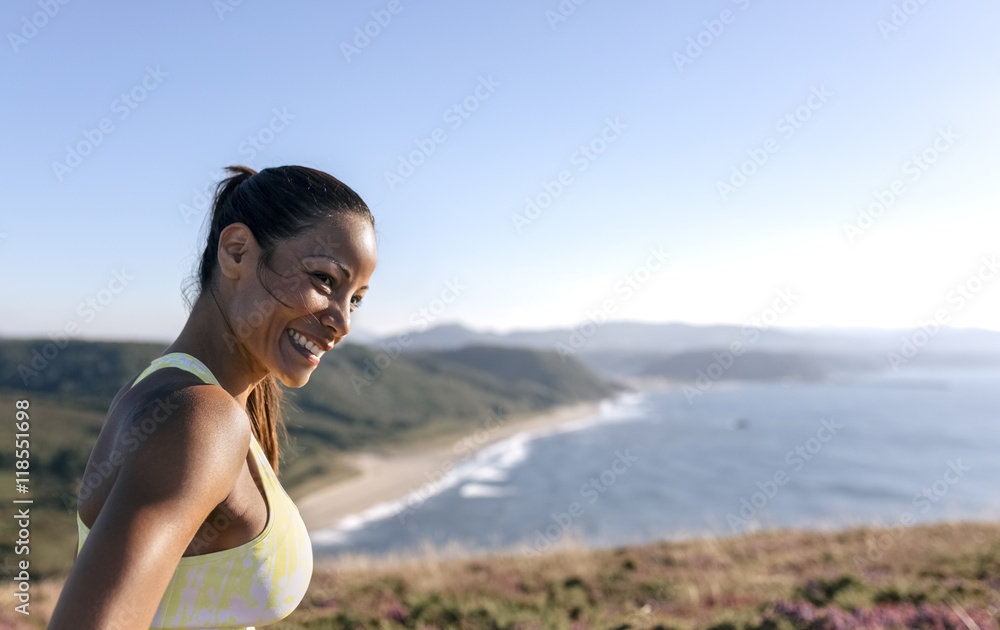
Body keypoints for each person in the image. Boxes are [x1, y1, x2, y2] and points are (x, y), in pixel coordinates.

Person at [48, 165, 378, 629]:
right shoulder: (200, 418)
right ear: (236, 250)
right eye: (324, 279)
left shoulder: (176, 394)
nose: (343, 322)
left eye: (356, 299)